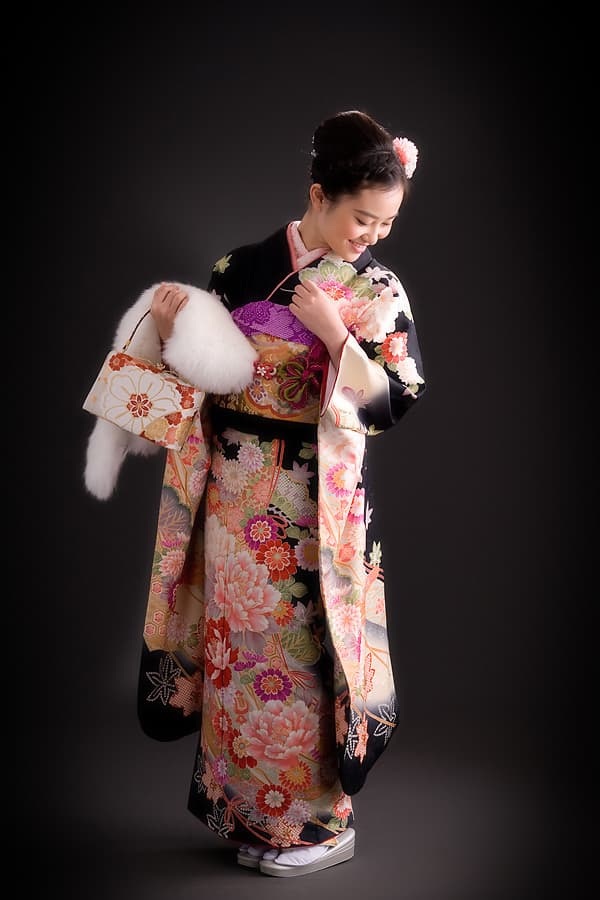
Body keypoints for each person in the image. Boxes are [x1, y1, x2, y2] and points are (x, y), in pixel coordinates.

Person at [84, 109, 426, 877]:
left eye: (386, 224)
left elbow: (393, 400)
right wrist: (165, 331)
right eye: (363, 218)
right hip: (233, 500)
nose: (373, 236)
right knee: (237, 653)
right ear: (319, 193)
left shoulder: (376, 289)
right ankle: (246, 815)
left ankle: (316, 828)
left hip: (312, 510)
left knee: (302, 665)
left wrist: (336, 335)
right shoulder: (237, 269)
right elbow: (194, 388)